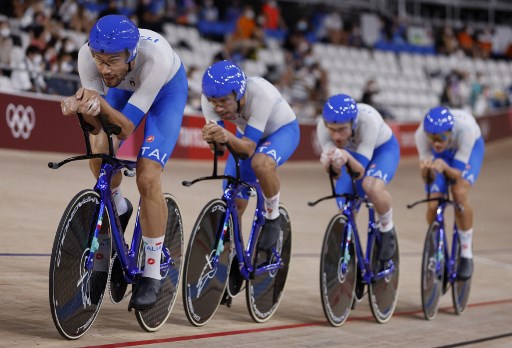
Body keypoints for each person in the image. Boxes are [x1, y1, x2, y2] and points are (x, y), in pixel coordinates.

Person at [60, 15, 188, 310]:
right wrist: (80, 108)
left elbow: (126, 128)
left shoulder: (155, 59)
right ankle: (116, 205)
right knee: (98, 147)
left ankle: (153, 272)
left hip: (166, 92)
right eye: (99, 60)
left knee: (147, 177)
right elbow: (97, 127)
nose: (103, 69)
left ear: (130, 54)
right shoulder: (87, 58)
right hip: (125, 89)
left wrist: (100, 104)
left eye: (112, 61)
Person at [200, 59, 300, 264]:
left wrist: (225, 136)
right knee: (233, 196)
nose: (218, 108)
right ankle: (230, 262)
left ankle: (273, 218)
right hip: (247, 136)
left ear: (240, 94)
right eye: (213, 102)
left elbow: (248, 150)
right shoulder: (208, 99)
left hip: (282, 131)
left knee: (261, 164)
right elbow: (220, 150)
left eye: (224, 101)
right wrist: (213, 139)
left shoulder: (260, 93)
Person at [316, 94, 399, 263]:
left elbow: (360, 171)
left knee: (371, 187)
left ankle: (386, 226)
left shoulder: (368, 121)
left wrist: (344, 155)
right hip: (353, 155)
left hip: (382, 151)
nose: (336, 136)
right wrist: (331, 165)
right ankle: (352, 260)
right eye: (332, 129)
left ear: (353, 123)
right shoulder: (322, 128)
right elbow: (337, 175)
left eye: (341, 129)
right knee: (345, 207)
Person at [415, 106, 484, 280]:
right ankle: (436, 244)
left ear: (450, 132)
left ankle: (466, 253)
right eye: (432, 138)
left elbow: (457, 174)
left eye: (441, 138)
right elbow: (427, 179)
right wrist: (427, 170)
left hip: (469, 148)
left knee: (458, 192)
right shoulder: (420, 135)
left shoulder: (466, 131)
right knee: (432, 204)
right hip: (442, 157)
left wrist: (445, 167)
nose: (436, 143)